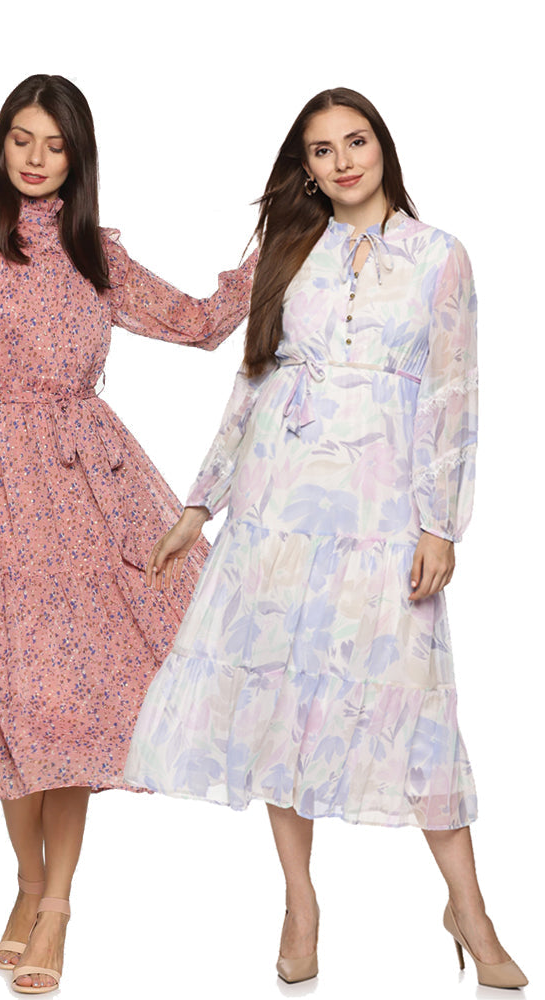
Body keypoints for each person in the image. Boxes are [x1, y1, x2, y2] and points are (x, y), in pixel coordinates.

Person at [0, 74, 256, 995]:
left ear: (79, 157)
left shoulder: (92, 252)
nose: (35, 159)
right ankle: (27, 884)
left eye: (55, 145)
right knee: (19, 696)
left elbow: (197, 326)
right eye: (21, 139)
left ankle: (57, 902)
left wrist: (272, 250)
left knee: (77, 699)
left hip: (90, 485)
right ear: (0, 145)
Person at [124, 87, 527, 990]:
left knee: (418, 709)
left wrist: (441, 524)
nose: (342, 161)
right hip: (278, 509)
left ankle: (468, 908)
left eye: (356, 141)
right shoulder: (288, 249)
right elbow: (251, 383)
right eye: (321, 149)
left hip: (381, 517)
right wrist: (199, 505)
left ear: (383, 148)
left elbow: (455, 392)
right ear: (304, 168)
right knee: (281, 706)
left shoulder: (439, 256)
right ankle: (300, 903)